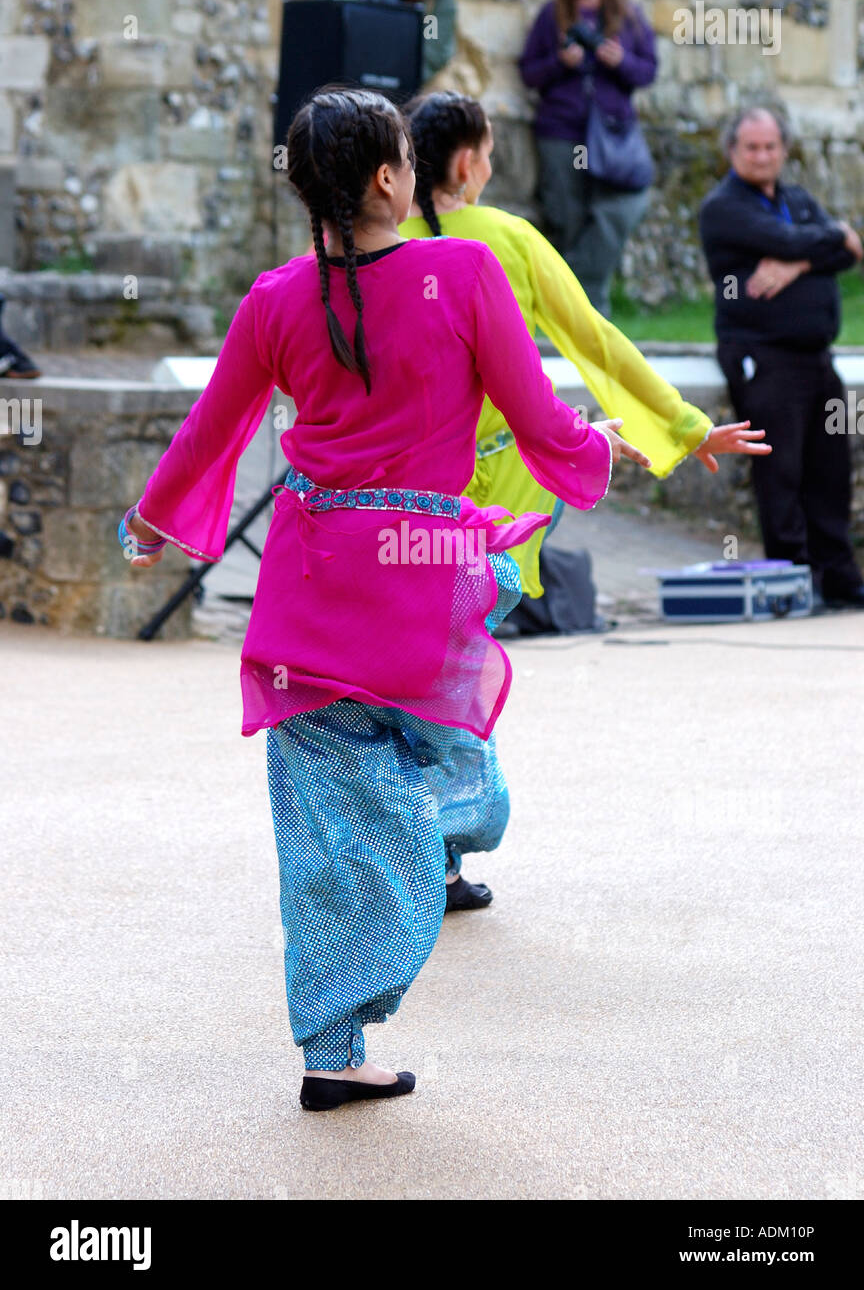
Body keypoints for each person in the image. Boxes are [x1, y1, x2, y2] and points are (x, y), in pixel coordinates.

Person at [119, 88, 649, 1111]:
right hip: (420, 593)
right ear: (388, 179)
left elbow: (210, 433)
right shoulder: (463, 271)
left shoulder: (275, 297)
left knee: (322, 825)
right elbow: (538, 420)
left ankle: (333, 1043)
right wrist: (610, 449)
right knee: (424, 791)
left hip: (307, 601)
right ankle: (410, 912)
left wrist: (151, 523)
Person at [400, 91, 771, 602]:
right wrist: (685, 426)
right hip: (510, 485)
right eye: (489, 153)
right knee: (465, 638)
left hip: (404, 490)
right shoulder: (510, 238)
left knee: (413, 638)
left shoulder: (377, 245)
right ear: (466, 164)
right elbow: (598, 343)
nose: (489, 166)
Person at [699, 106, 864, 609]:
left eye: (770, 146)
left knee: (831, 471)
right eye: (751, 147)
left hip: (817, 358)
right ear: (733, 151)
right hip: (762, 356)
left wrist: (797, 263)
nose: (762, 155)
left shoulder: (795, 198)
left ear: (783, 150)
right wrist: (825, 240)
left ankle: (838, 577)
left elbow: (848, 250)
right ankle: (790, 581)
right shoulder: (724, 206)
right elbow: (816, 240)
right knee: (781, 471)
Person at [519, 0, 658, 318]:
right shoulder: (553, 15)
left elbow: (647, 71)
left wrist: (620, 62)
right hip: (562, 131)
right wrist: (560, 63)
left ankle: (573, 302)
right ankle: (579, 313)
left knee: (619, 208)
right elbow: (529, 73)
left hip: (612, 134)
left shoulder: (627, 17)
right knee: (566, 217)